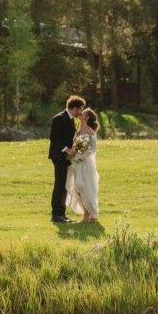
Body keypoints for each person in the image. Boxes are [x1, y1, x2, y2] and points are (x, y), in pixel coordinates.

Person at [48, 94, 85, 223]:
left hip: (66, 157)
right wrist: (67, 149)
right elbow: (54, 138)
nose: (81, 112)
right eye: (80, 109)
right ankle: (55, 214)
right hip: (59, 156)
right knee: (59, 184)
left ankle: (61, 214)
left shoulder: (71, 120)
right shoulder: (59, 118)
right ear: (75, 108)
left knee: (64, 184)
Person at [65, 107, 99, 223]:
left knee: (84, 189)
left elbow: (86, 150)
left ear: (87, 117)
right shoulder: (79, 129)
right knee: (78, 190)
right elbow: (77, 146)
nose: (80, 113)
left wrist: (72, 153)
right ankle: (87, 214)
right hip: (77, 163)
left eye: (83, 112)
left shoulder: (88, 130)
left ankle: (88, 216)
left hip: (84, 165)